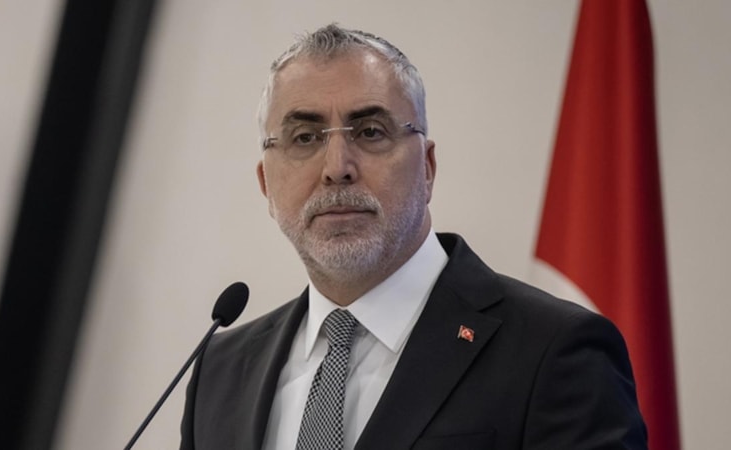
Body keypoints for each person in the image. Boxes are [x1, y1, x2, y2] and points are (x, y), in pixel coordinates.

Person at [180, 24, 647, 449]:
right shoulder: (219, 372)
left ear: (427, 168)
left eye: (370, 132)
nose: (337, 168)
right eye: (305, 137)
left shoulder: (553, 349)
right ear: (266, 183)